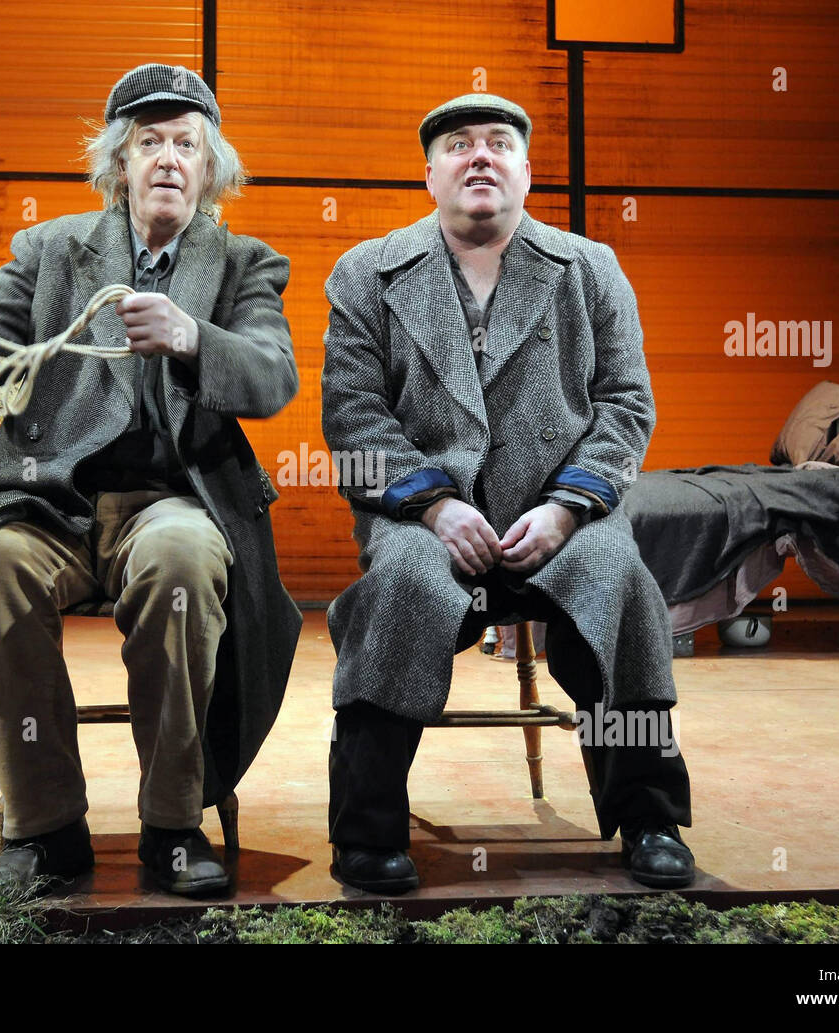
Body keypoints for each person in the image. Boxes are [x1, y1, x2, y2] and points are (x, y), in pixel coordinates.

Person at [0, 63, 301, 898]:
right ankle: (47, 831)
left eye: (186, 144)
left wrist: (192, 336)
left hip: (175, 502)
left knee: (179, 560)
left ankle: (172, 826)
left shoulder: (245, 263)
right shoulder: (50, 248)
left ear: (210, 171)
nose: (168, 158)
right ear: (118, 165)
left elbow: (275, 378)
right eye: (148, 143)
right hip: (51, 501)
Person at [320, 93, 694, 894]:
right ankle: (368, 830)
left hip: (564, 513)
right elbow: (352, 416)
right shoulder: (367, 272)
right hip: (424, 520)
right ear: (431, 174)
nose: (479, 155)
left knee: (620, 582)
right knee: (399, 589)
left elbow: (628, 403)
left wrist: (566, 509)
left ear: (527, 170)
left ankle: (650, 814)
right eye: (458, 145)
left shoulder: (590, 267)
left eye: (499, 143)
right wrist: (433, 503)